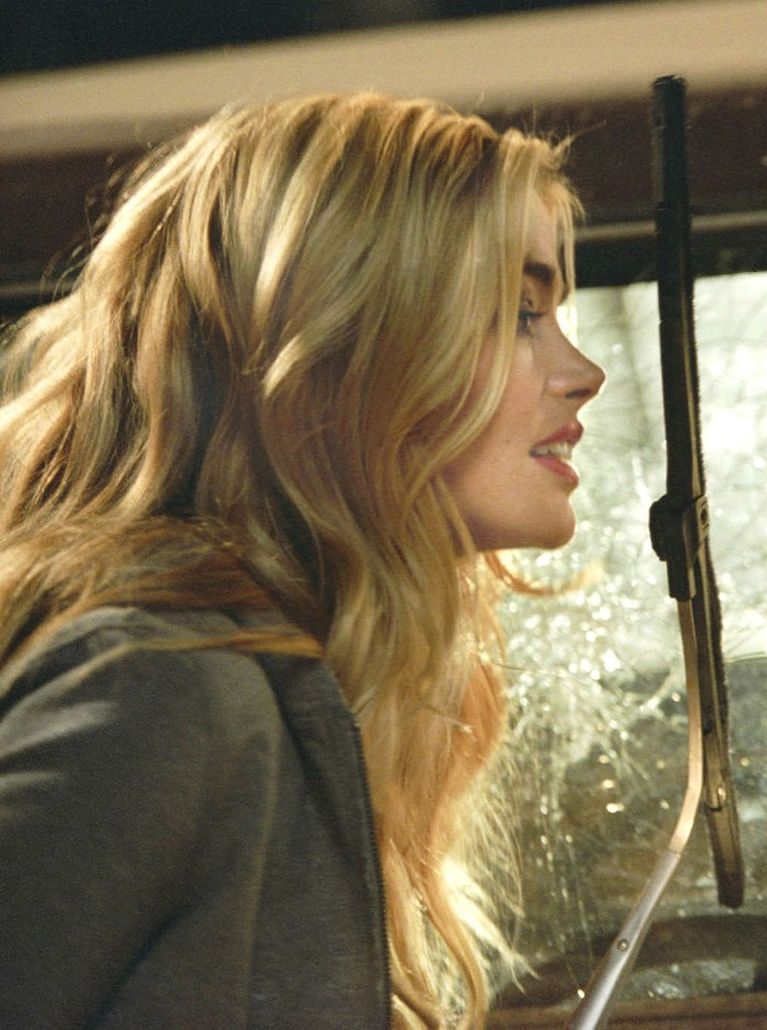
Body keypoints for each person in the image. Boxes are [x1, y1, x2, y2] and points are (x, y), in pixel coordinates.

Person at [0, 92, 604, 1028]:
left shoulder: (282, 685)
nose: (582, 374)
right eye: (520, 313)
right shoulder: (167, 689)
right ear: (337, 345)